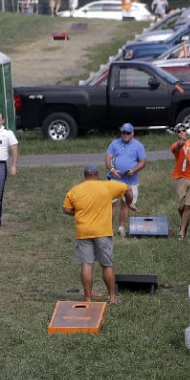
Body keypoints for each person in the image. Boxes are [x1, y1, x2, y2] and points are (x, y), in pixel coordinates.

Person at [62, 163, 136, 303]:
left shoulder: (75, 190)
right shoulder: (106, 186)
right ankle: (113, 297)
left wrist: (78, 213)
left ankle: (88, 298)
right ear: (97, 174)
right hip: (102, 232)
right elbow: (128, 187)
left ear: (85, 176)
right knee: (107, 264)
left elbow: (66, 209)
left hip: (83, 231)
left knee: (87, 264)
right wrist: (129, 202)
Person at [105, 123, 146, 237]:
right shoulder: (114, 143)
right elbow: (108, 159)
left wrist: (133, 170)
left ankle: (121, 228)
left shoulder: (138, 146)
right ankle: (108, 229)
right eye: (123, 132)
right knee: (112, 204)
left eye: (128, 133)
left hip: (130, 180)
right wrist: (112, 169)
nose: (125, 135)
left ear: (132, 133)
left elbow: (142, 161)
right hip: (115, 179)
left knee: (126, 204)